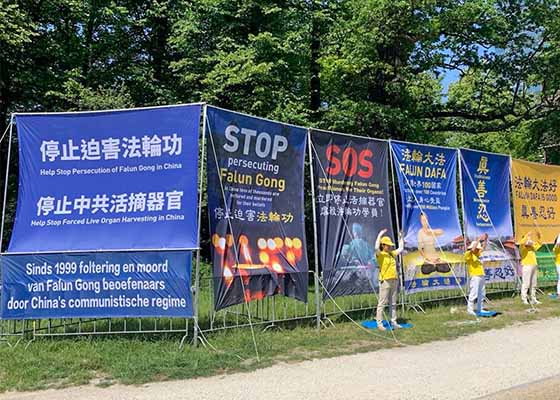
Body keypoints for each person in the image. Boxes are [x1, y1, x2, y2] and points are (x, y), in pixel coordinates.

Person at [375, 228, 404, 331]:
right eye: (388, 245)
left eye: (390, 245)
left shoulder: (392, 253)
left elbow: (401, 248)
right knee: (382, 303)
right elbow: (376, 248)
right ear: (383, 245)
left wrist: (401, 237)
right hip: (385, 281)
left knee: (393, 302)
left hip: (394, 280)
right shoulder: (380, 255)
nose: (390, 246)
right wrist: (380, 234)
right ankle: (379, 323)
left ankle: (393, 321)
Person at [464, 234, 488, 315]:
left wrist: (485, 239)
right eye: (477, 249)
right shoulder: (468, 254)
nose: (478, 250)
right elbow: (473, 249)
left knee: (482, 293)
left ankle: (480, 308)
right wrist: (478, 240)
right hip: (475, 276)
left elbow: (483, 248)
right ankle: (470, 309)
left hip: (481, 275)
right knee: (474, 293)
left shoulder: (477, 254)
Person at [518, 231, 542, 305]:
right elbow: (522, 242)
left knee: (534, 283)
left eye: (530, 239)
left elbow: (538, 244)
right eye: (528, 239)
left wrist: (539, 237)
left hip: (534, 264)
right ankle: (524, 299)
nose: (530, 240)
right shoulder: (522, 247)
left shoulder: (532, 247)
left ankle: (533, 299)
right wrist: (526, 235)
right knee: (526, 283)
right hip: (526, 265)